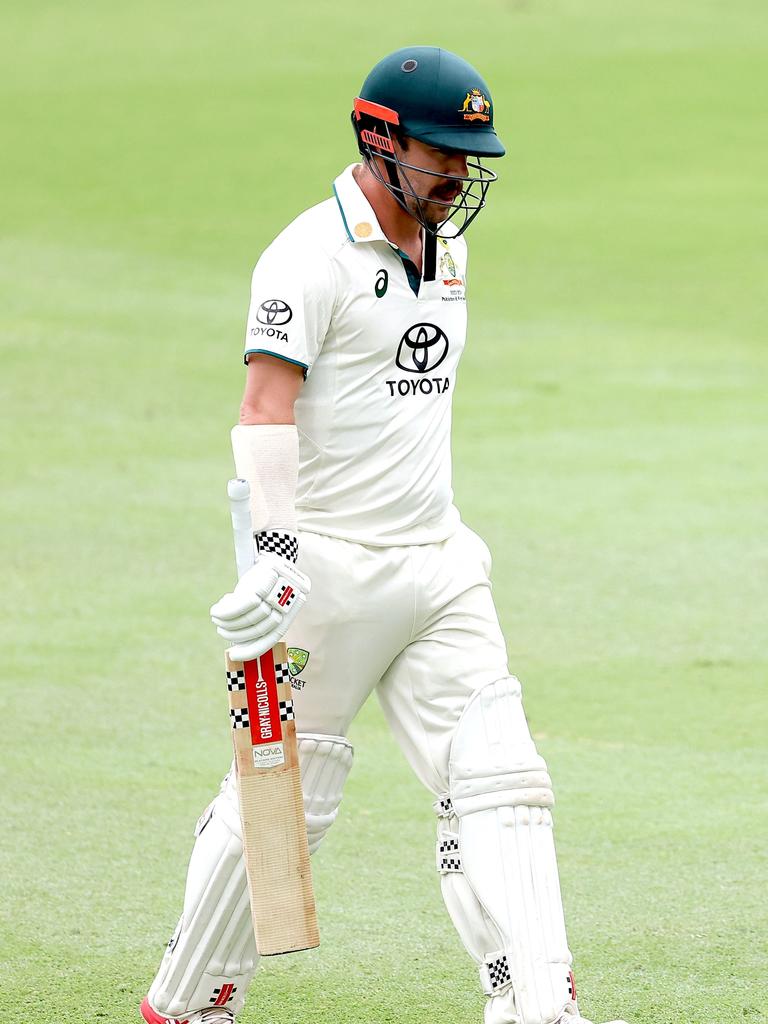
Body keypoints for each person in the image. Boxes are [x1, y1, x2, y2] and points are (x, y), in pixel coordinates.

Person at [140, 46, 629, 1024]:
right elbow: (263, 404)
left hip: (440, 561)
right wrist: (272, 556)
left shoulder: (449, 244)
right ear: (378, 137)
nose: (458, 173)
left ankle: (538, 1007)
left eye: (470, 154)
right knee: (288, 802)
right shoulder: (305, 257)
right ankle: (188, 1003)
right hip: (329, 573)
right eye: (440, 151)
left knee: (504, 780)